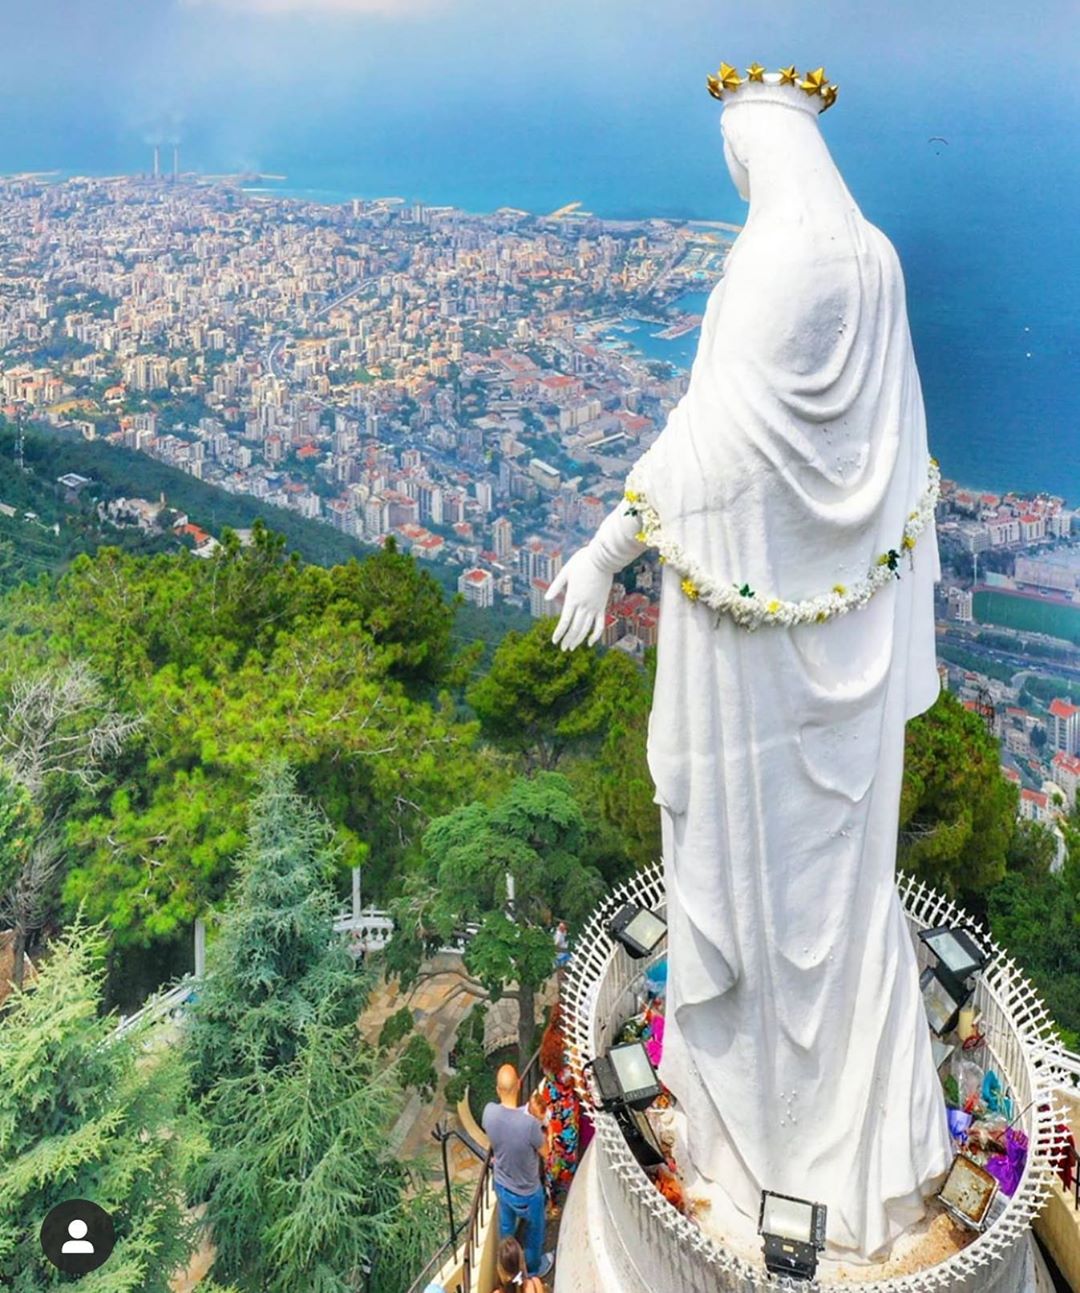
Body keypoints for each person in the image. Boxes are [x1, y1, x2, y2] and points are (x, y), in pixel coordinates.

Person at [546, 64, 952, 1259]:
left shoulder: (771, 266)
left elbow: (709, 455)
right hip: (847, 650)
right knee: (837, 892)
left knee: (756, 891)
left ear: (752, 151)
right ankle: (854, 1142)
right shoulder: (875, 258)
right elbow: (896, 462)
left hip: (762, 669)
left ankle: (762, 1145)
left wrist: (604, 551)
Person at [482, 1064, 554, 1280]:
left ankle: (508, 1269)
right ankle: (532, 1270)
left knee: (506, 1229)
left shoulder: (488, 1113)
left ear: (497, 1089)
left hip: (503, 1185)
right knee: (534, 1233)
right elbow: (546, 1152)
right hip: (528, 1192)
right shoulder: (529, 1125)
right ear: (520, 1085)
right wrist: (548, 1131)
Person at [534, 1007, 580, 1216]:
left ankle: (552, 1194)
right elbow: (571, 1080)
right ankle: (565, 1187)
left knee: (554, 1148)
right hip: (566, 1106)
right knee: (567, 1148)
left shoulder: (548, 1042)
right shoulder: (566, 1051)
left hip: (552, 1101)